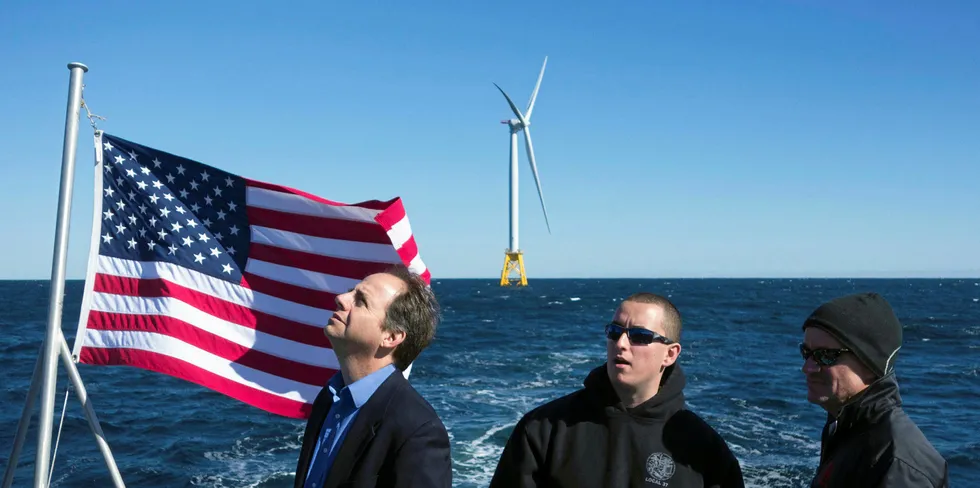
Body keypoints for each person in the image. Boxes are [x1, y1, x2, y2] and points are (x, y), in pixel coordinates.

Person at [490, 292, 744, 488]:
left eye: (640, 336)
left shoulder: (703, 448)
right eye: (614, 332)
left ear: (670, 354)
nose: (621, 343)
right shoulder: (543, 428)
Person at [293, 265, 451, 488]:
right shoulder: (329, 399)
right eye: (351, 291)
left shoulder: (418, 430)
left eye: (360, 301)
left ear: (391, 336)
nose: (341, 298)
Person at [800, 292, 948, 487]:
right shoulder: (847, 430)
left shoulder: (898, 464)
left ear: (870, 364)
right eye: (806, 353)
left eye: (825, 355)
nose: (807, 368)